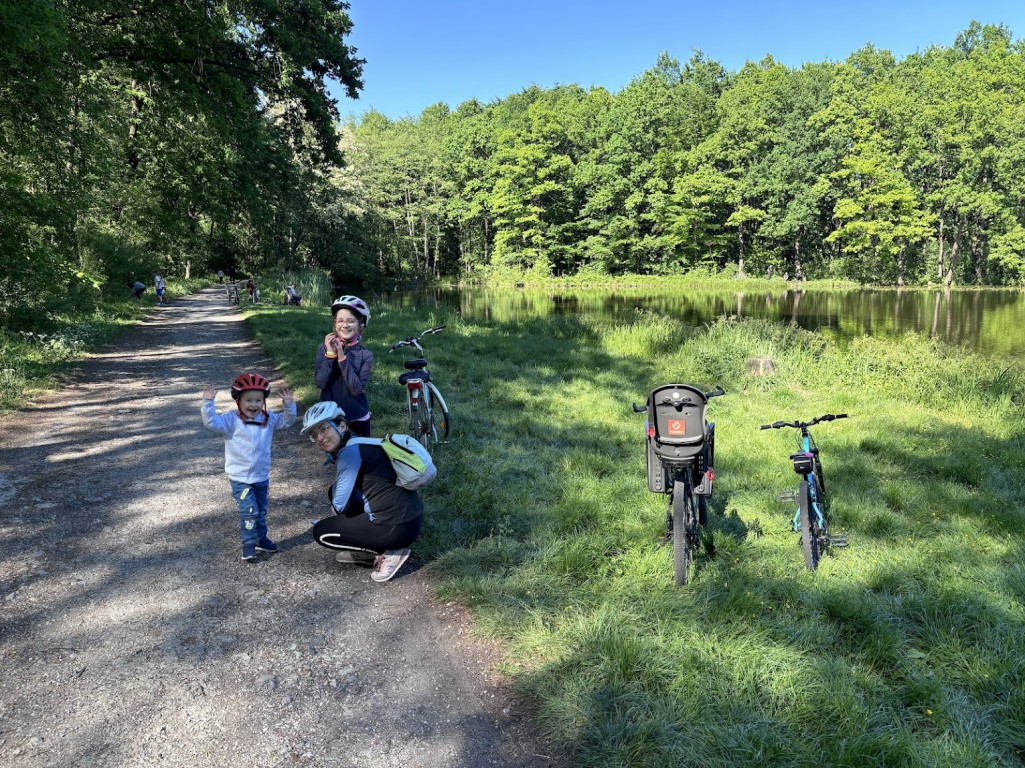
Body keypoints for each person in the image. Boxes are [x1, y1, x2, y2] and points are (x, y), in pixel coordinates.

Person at [301, 401, 422, 582]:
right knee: (334, 492)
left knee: (322, 532)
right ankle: (370, 548)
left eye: (324, 428)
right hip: (411, 519)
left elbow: (340, 506)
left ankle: (390, 553)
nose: (319, 438)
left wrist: (338, 520)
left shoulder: (349, 452)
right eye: (314, 434)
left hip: (396, 530)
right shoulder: (362, 443)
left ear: (342, 426)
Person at [201, 373, 296, 561]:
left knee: (261, 510)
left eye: (258, 400)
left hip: (261, 477)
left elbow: (287, 422)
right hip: (240, 479)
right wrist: (208, 403)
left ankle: (261, 538)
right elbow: (211, 422)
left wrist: (289, 405)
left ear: (264, 401)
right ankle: (249, 544)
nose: (253, 405)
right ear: (238, 400)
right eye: (248, 400)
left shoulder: (268, 419)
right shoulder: (231, 419)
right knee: (249, 511)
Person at [314, 295, 374, 437]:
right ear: (335, 324)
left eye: (350, 321)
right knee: (335, 456)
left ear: (361, 325)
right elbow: (320, 383)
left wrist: (342, 358)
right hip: (330, 415)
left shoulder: (365, 354)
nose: (345, 325)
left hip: (357, 415)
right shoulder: (323, 348)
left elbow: (356, 389)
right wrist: (330, 355)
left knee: (361, 456)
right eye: (340, 321)